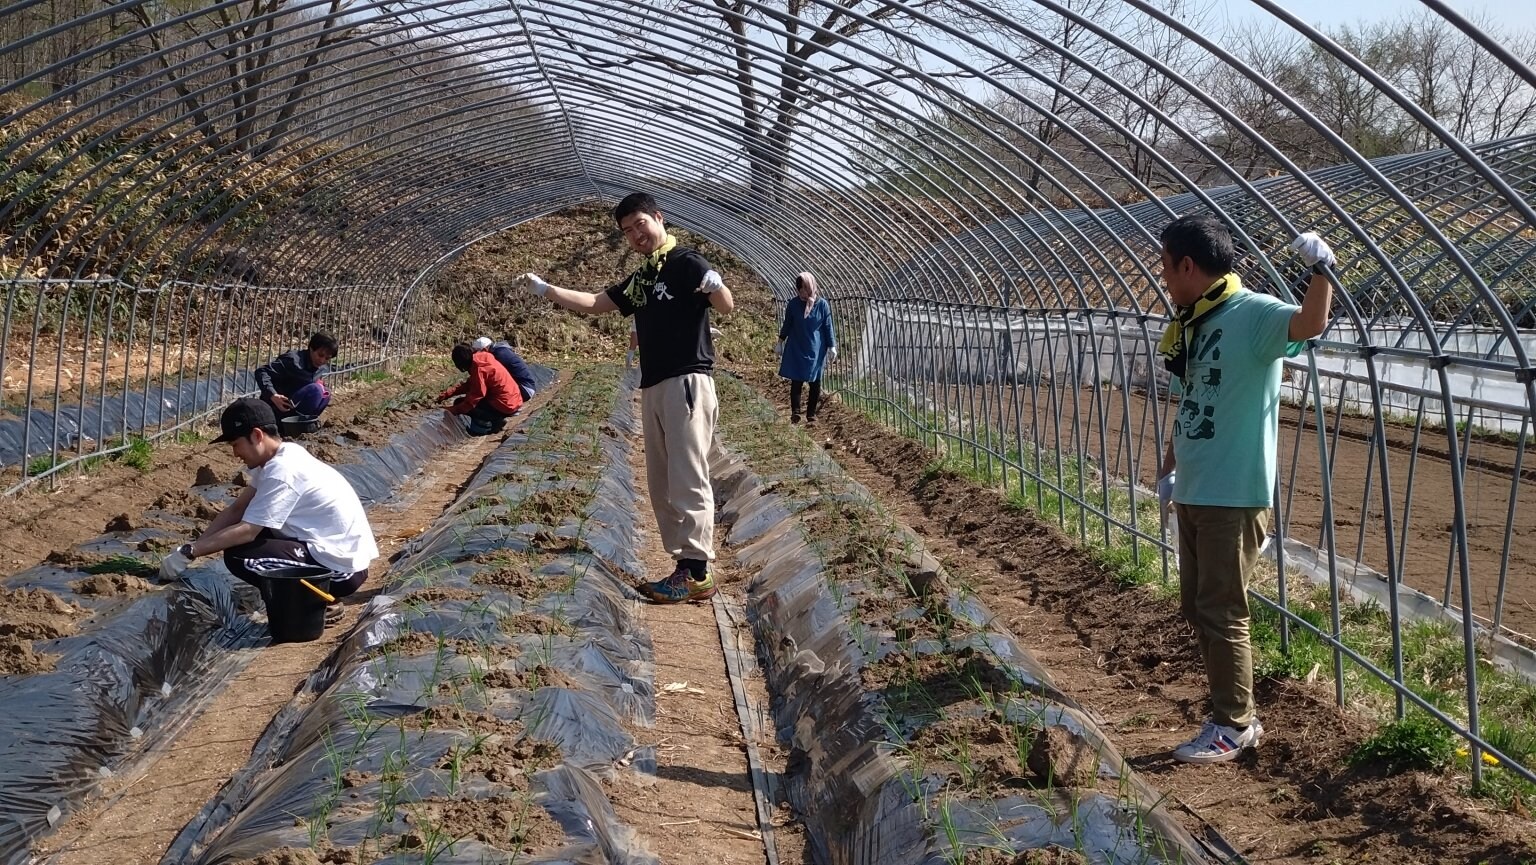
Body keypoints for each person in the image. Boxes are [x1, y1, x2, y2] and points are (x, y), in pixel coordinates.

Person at [1153, 214, 1334, 764]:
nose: (1163, 278)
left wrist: (1322, 269)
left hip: (1234, 493)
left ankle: (1236, 723)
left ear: (1189, 265)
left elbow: (1310, 324)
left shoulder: (1252, 313)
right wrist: (1168, 468)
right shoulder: (1193, 323)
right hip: (1196, 487)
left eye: (1166, 267)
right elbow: (1186, 403)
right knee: (1197, 605)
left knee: (1223, 607)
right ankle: (1224, 711)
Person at [514, 191, 734, 604]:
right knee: (662, 481)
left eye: (640, 224)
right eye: (627, 231)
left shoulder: (686, 262)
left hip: (686, 381)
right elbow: (598, 303)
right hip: (653, 384)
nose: (636, 234)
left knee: (688, 476)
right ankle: (683, 566)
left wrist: (716, 284)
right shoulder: (646, 276)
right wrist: (546, 289)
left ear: (658, 218)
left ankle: (698, 570)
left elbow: (724, 305)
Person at [158, 397, 378, 637]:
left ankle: (315, 602)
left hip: (341, 570)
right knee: (251, 538)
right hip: (336, 554)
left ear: (256, 435)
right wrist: (187, 551)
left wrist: (192, 551)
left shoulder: (283, 472)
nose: (234, 453)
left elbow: (248, 530)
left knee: (240, 556)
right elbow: (237, 510)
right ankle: (309, 596)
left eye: (235, 444)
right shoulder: (282, 456)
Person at [775, 272, 837, 424]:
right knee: (796, 380)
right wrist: (780, 341)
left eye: (804, 287)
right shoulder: (794, 304)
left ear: (810, 286)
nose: (801, 291)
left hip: (815, 349)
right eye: (799, 288)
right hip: (797, 345)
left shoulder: (822, 305)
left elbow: (828, 327)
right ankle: (795, 412)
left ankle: (811, 414)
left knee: (815, 382)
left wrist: (832, 346)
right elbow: (788, 324)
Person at [437, 342, 525, 435]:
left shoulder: (479, 369)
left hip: (505, 404)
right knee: (464, 402)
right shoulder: (483, 358)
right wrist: (450, 393)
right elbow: (471, 384)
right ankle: (493, 420)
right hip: (515, 399)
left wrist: (453, 410)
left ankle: (495, 420)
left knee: (462, 403)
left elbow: (476, 396)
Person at [255, 332, 337, 419]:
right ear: (311, 349)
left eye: (327, 358)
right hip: (277, 407)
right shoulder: (293, 360)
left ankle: (305, 422)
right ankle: (291, 423)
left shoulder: (321, 367)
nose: (322, 360)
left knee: (325, 393)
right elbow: (262, 371)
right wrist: (273, 395)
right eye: (320, 355)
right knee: (316, 389)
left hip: (296, 405)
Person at [472, 335, 539, 402]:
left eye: (478, 352)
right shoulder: (501, 350)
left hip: (525, 389)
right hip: (528, 386)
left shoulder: (499, 355)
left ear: (485, 350)